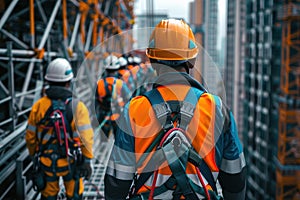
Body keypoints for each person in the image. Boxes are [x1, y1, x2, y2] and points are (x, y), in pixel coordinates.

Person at [104, 19, 246, 199]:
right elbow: (235, 178)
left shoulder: (134, 109)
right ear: (192, 60)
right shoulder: (217, 109)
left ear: (153, 61)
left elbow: (116, 182)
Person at [25, 58, 94, 199]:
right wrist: (87, 161)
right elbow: (86, 137)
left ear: (48, 81)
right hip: (71, 162)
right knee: (74, 194)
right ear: (69, 82)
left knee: (49, 195)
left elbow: (30, 137)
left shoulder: (38, 106)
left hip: (47, 162)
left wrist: (34, 157)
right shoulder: (77, 107)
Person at [95, 54, 131, 138]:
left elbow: (95, 101)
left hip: (103, 116)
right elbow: (128, 98)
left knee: (103, 140)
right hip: (117, 116)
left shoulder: (99, 83)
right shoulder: (120, 83)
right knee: (118, 139)